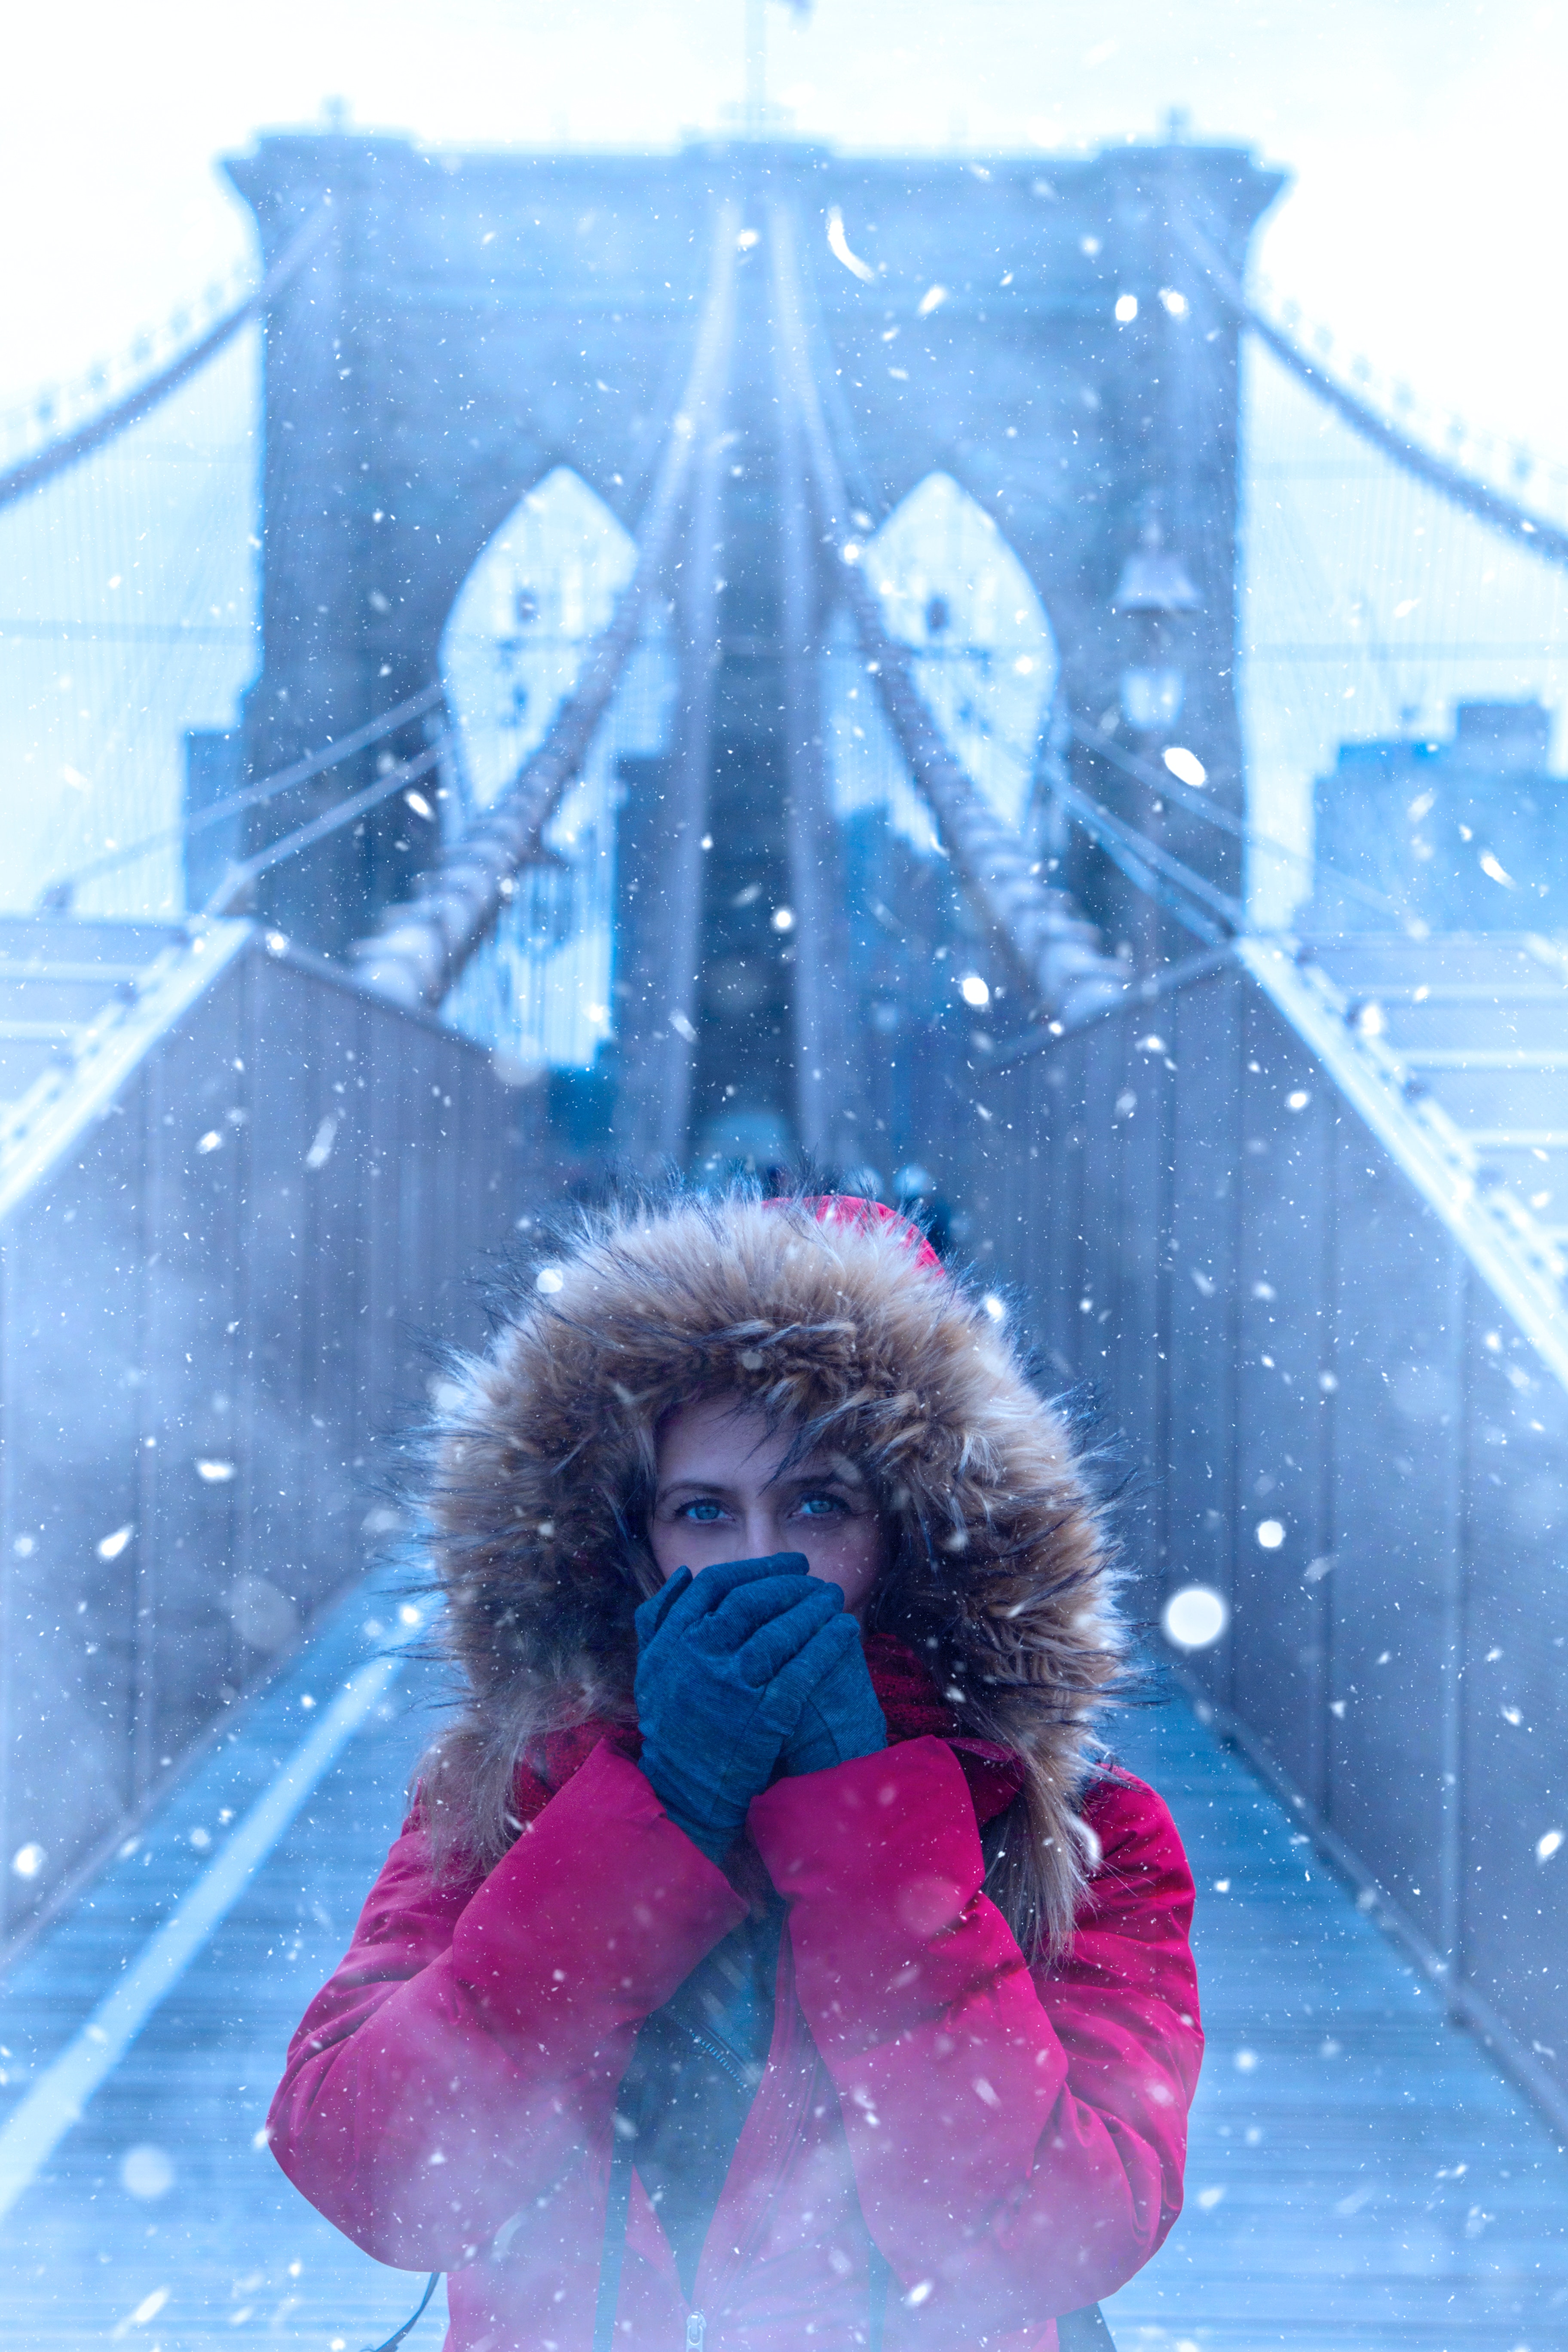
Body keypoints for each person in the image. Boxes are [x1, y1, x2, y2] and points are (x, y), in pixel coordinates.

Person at [268, 1191, 1201, 2351]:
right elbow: (376, 2171)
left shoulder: (1075, 1830)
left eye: (818, 1502)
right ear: (632, 1538)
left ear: (914, 1527)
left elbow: (1061, 2230)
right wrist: (655, 1819)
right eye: (705, 1512)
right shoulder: (513, 1794)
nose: (762, 1565)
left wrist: (871, 1825)